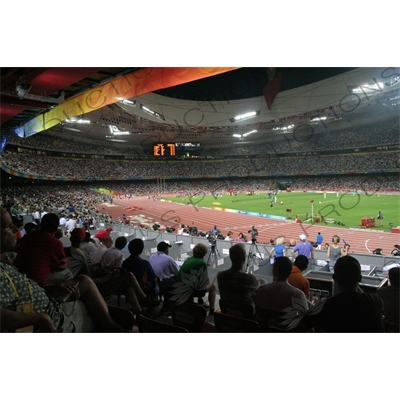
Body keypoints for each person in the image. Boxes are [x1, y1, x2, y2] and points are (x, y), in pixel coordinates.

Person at [0, 207, 124, 333]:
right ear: (55, 229)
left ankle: (109, 323)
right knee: (85, 299)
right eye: (9, 226)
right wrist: (40, 317)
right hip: (48, 315)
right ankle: (110, 326)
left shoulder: (26, 240)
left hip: (42, 290)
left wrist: (46, 287)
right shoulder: (54, 243)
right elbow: (61, 266)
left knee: (83, 281)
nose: (15, 229)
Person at [303, 256, 385, 332]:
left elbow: (301, 326)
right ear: (360, 278)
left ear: (334, 278)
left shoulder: (325, 306)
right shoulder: (375, 301)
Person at [14, 213, 68, 283]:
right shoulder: (55, 242)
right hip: (36, 279)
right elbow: (62, 266)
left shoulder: (30, 235)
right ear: (56, 228)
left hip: (19, 274)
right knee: (67, 272)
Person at [254, 256, 309, 326]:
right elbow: (305, 318)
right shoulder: (298, 294)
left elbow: (257, 312)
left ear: (275, 270)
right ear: (289, 271)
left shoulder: (262, 290)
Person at [217, 243, 264, 316]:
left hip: (227, 312)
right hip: (246, 318)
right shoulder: (249, 279)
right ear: (244, 259)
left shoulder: (220, 276)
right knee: (262, 283)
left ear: (230, 257)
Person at [174, 243, 216, 315]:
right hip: (188, 291)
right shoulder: (201, 263)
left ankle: (200, 301)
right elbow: (205, 280)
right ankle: (212, 310)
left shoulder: (188, 259)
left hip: (179, 288)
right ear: (204, 254)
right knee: (213, 287)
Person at [122, 239, 159, 312]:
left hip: (129, 289)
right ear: (141, 250)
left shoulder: (125, 263)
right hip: (144, 290)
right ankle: (151, 304)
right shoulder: (145, 264)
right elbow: (154, 278)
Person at [149, 241, 179, 313]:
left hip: (151, 282)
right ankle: (166, 307)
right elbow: (177, 272)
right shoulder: (169, 259)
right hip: (160, 284)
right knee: (175, 281)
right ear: (165, 250)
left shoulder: (151, 256)